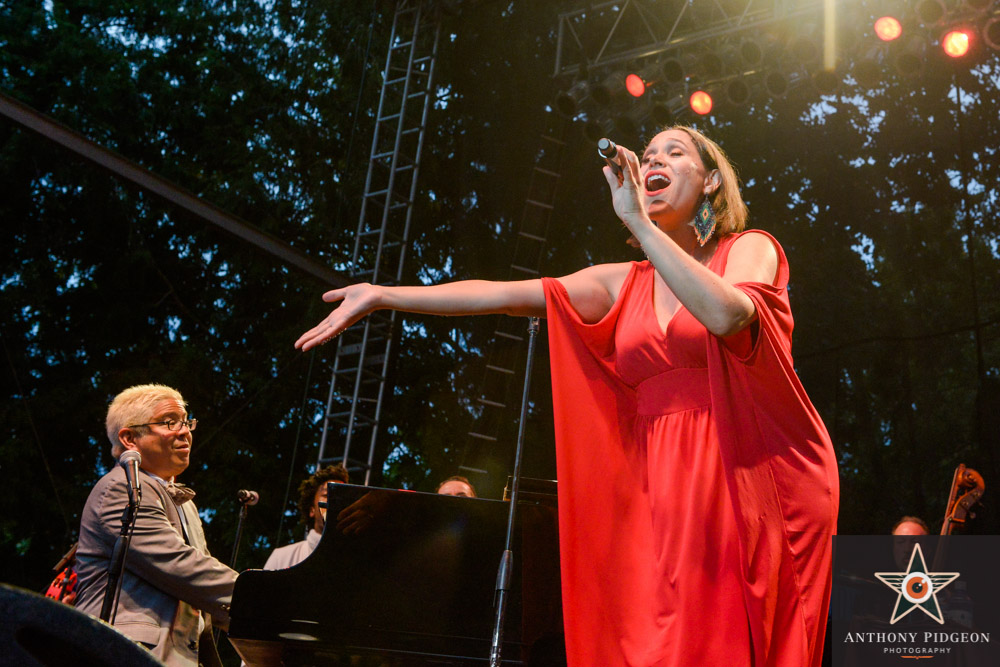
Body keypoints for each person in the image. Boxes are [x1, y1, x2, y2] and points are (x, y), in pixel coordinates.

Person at [295, 126, 839, 667]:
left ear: (712, 181)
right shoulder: (621, 282)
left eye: (676, 152)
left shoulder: (750, 248)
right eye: (649, 153)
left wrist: (638, 224)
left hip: (743, 473)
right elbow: (503, 297)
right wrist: (384, 295)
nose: (656, 159)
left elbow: (727, 315)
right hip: (660, 496)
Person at [74, 384, 238, 667]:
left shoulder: (185, 503)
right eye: (169, 422)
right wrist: (266, 601)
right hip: (129, 653)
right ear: (129, 438)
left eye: (186, 421)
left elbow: (200, 594)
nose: (184, 431)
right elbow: (179, 565)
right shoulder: (121, 488)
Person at [264, 463, 349, 569]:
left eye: (342, 497)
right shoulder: (282, 557)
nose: (335, 500)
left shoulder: (356, 560)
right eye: (327, 495)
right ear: (312, 509)